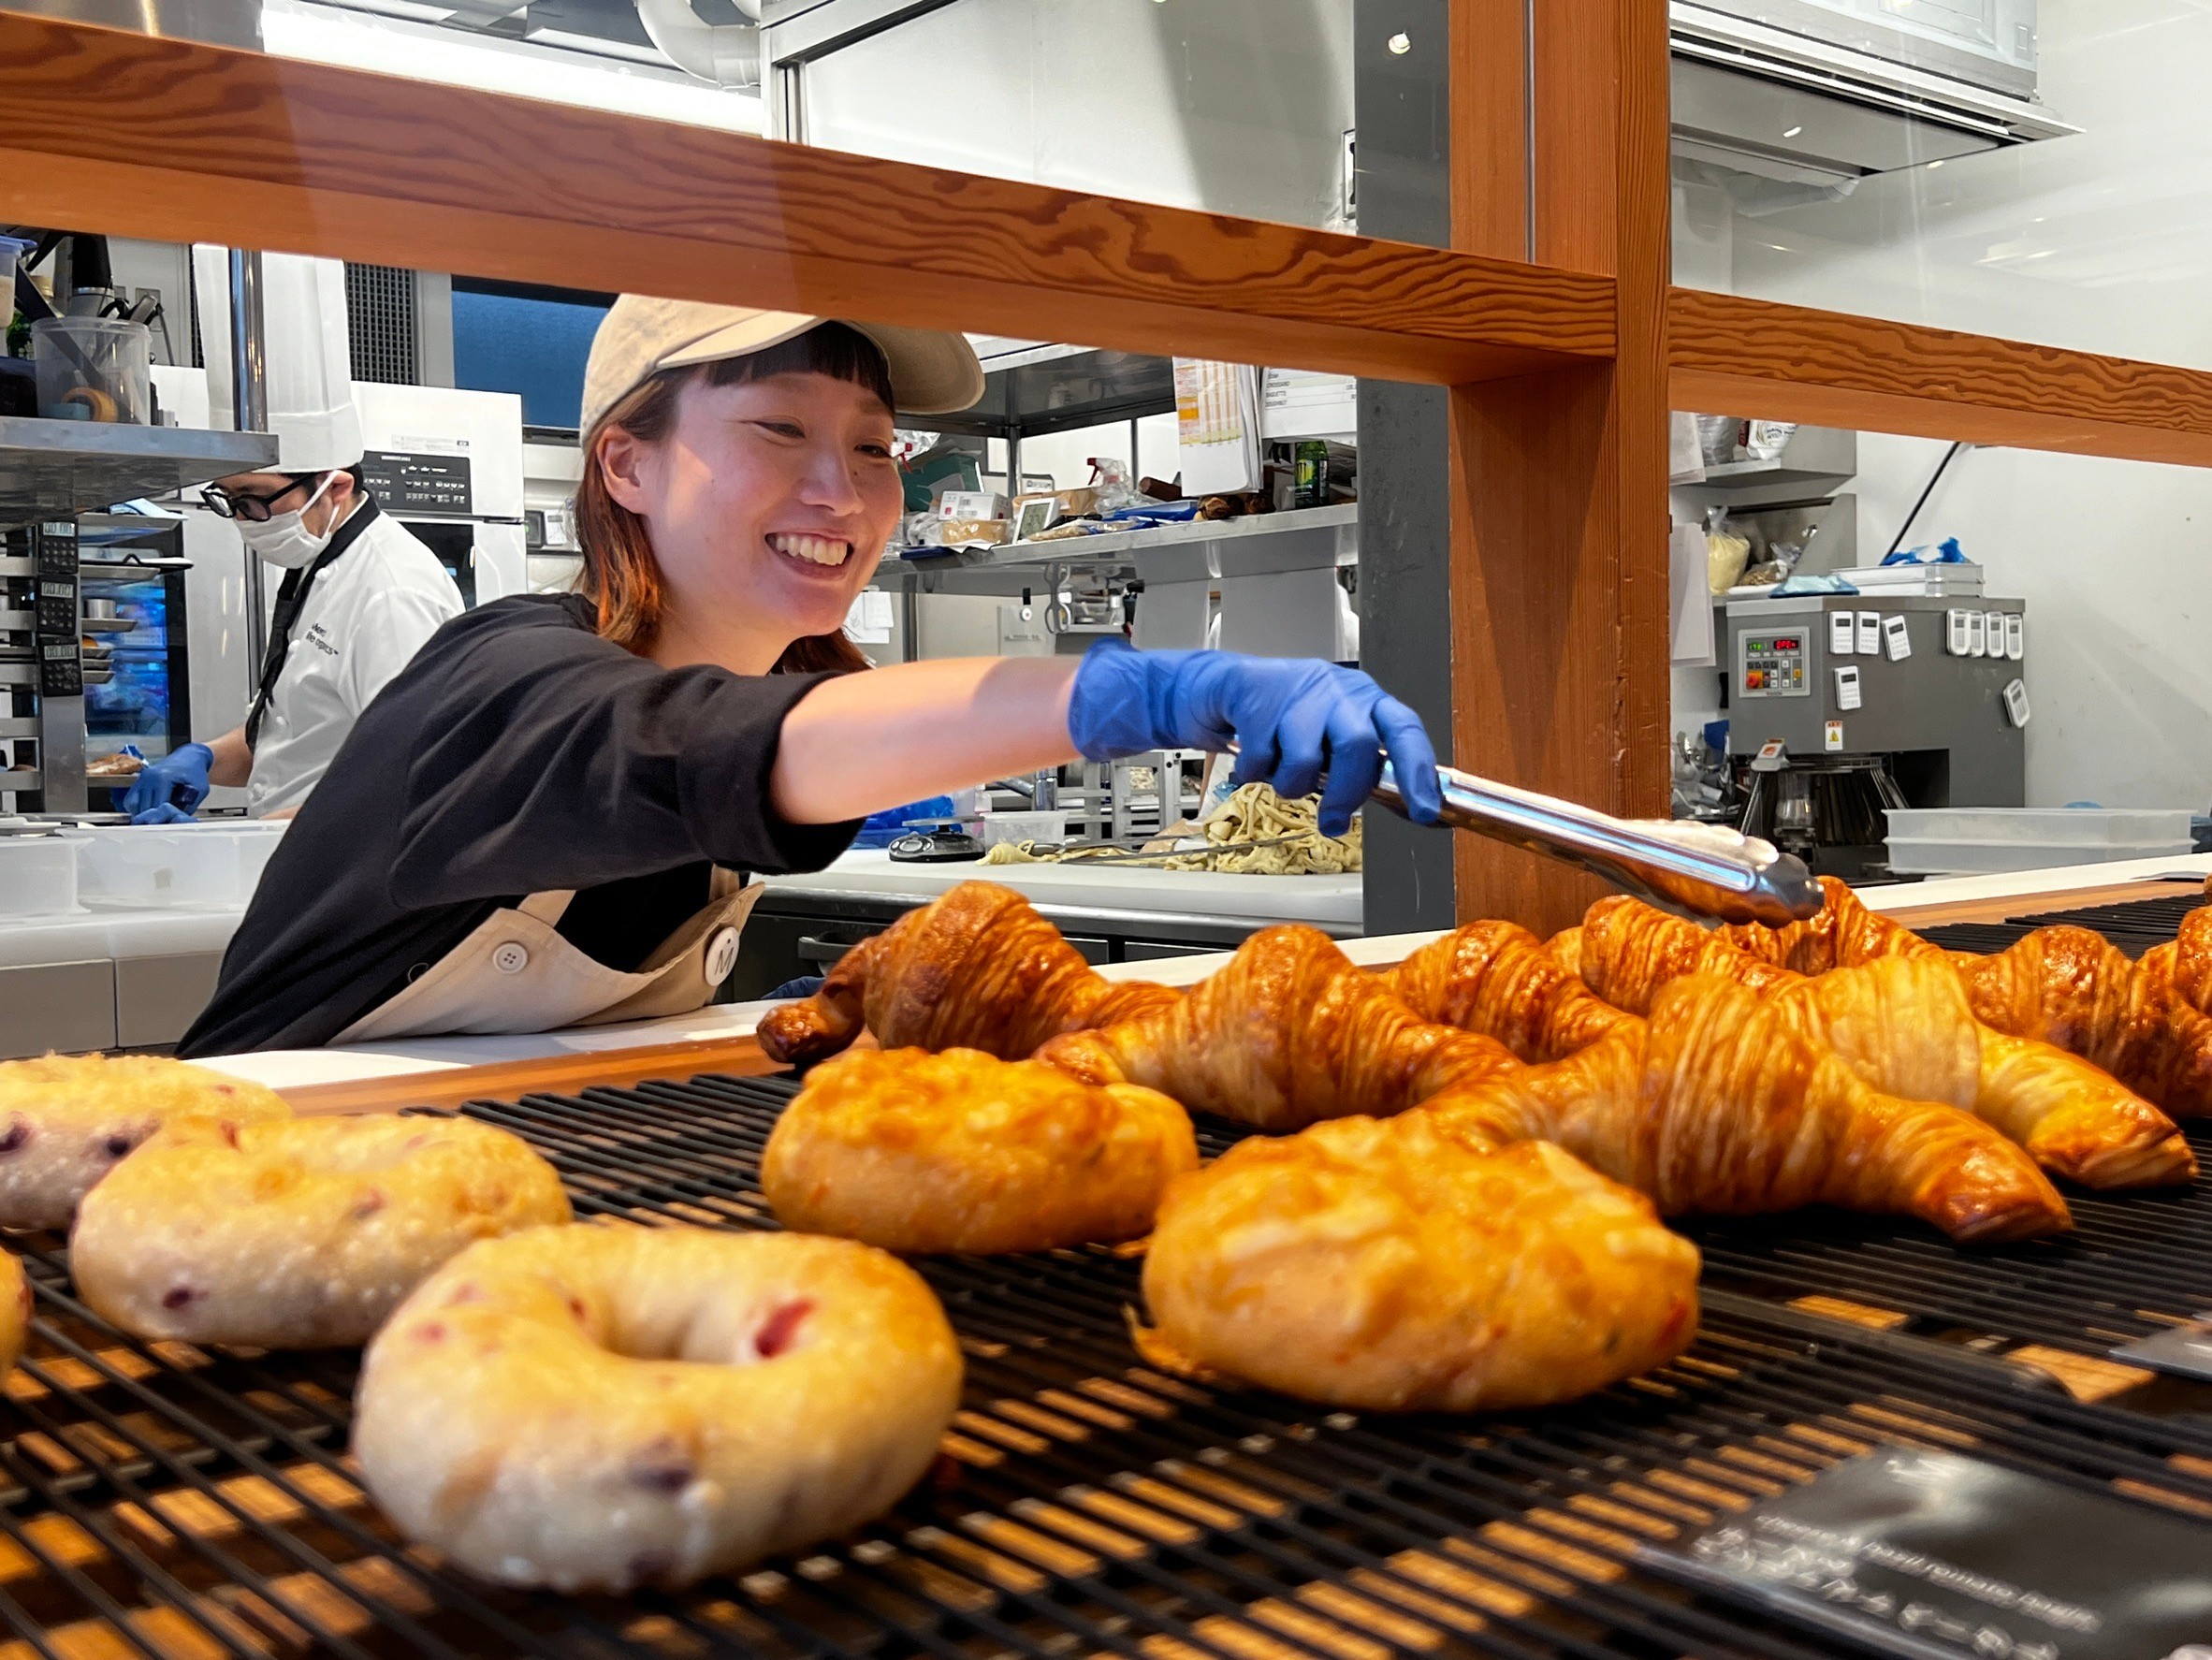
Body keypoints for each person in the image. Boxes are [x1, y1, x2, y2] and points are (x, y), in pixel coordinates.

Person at [176, 298, 1441, 1056]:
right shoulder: (506, 675)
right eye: (780, 430)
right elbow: (698, 745)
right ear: (627, 464)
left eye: (875, 447)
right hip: (231, 1205)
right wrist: (1148, 694)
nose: (841, 491)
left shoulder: (765, 679)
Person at [124, 255, 462, 823]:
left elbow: (415, 781)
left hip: (351, 879)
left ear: (334, 487)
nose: (244, 518)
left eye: (255, 498)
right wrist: (204, 760)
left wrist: (226, 844)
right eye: (230, 500)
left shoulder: (392, 592)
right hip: (297, 860)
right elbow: (291, 739)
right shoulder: (317, 567)